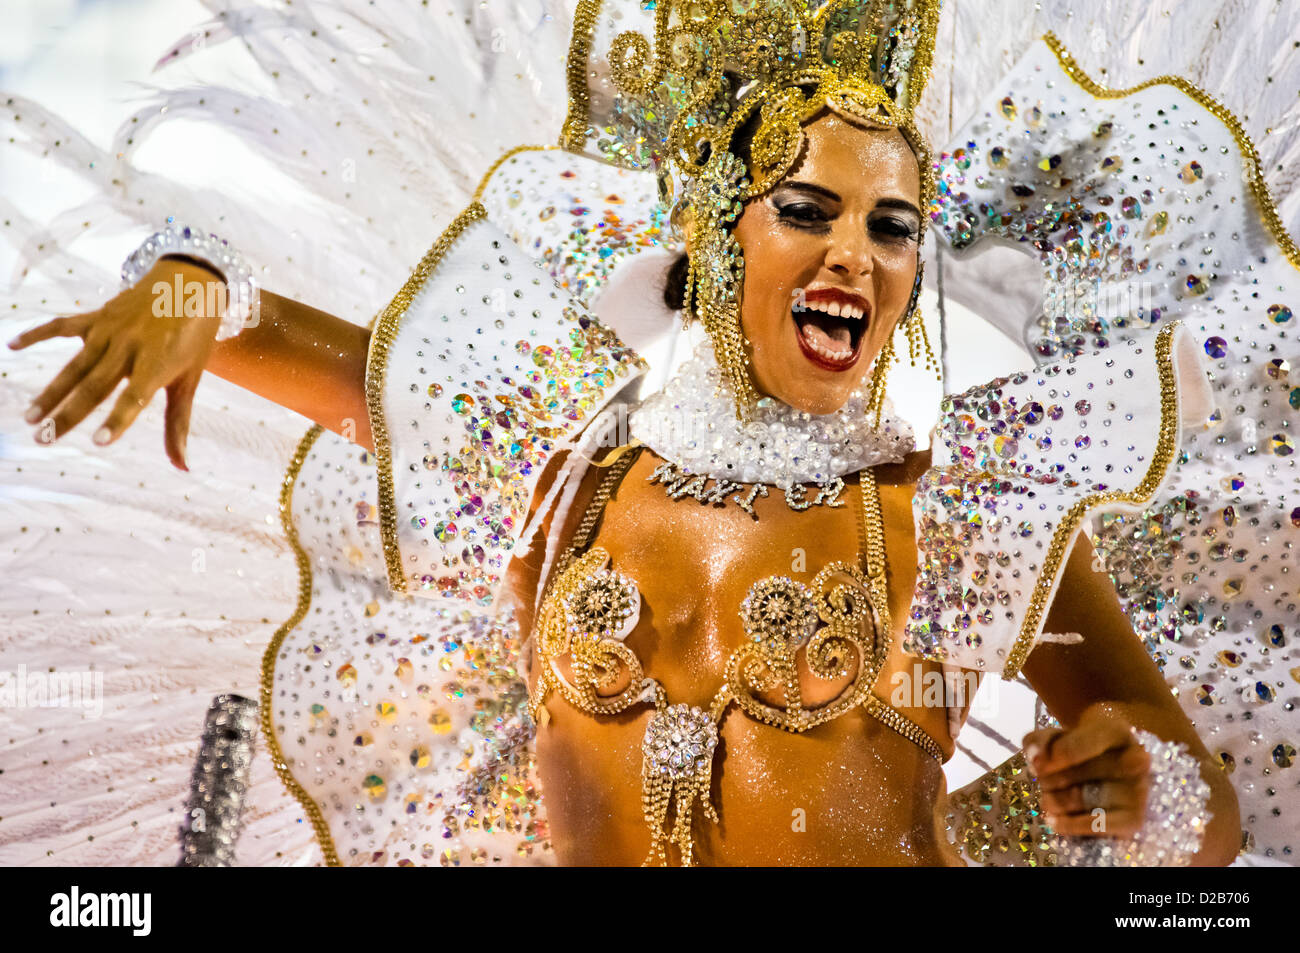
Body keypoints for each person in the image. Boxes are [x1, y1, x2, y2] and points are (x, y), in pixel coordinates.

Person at [4, 0, 1294, 867]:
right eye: (809, 210)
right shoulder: (558, 468)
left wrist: (1145, 791)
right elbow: (292, 337)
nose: (856, 252)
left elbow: (1209, 805)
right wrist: (188, 290)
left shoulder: (961, 509)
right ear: (720, 233)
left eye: (892, 228)